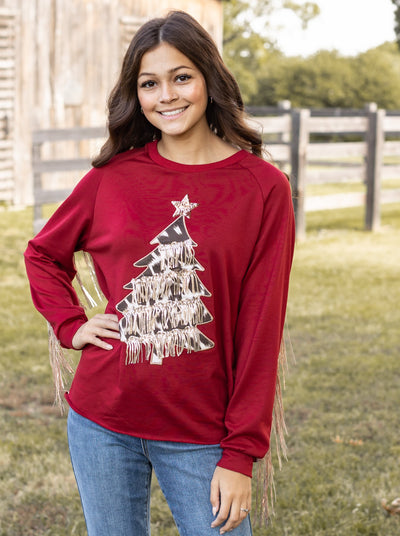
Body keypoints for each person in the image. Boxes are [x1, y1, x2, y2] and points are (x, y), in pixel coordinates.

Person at [24, 10, 295, 536]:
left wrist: (240, 452)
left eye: (181, 77)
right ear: (136, 93)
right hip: (102, 422)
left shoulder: (263, 189)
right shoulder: (113, 179)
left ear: (208, 79)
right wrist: (70, 323)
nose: (166, 96)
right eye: (149, 83)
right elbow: (42, 254)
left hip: (202, 432)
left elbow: (262, 327)